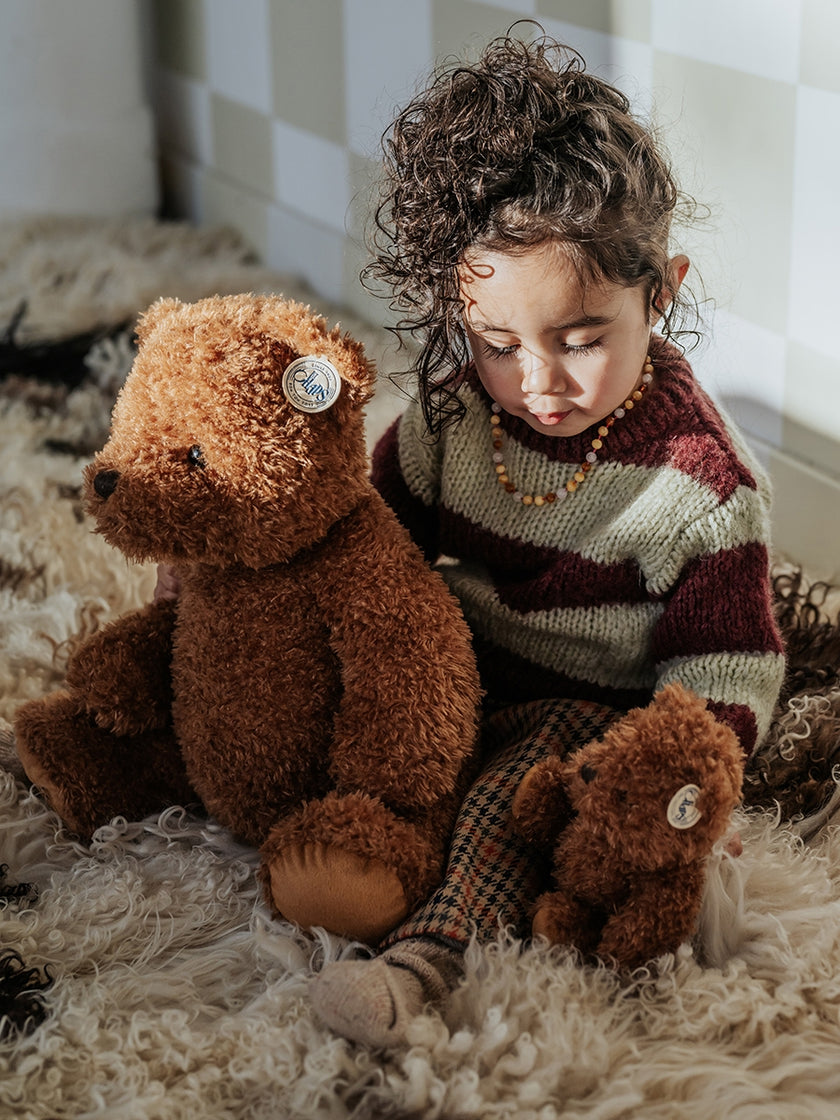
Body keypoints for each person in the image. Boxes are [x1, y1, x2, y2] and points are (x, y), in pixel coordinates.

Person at [156, 32, 785, 1047]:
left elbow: (727, 662)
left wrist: (689, 782)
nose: (538, 382)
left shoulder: (699, 481)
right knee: (324, 695)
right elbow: (364, 540)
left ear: (658, 292)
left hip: (584, 713)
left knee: (505, 798)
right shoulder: (454, 421)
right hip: (456, 674)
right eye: (497, 344)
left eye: (581, 339)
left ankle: (420, 963)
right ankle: (319, 820)